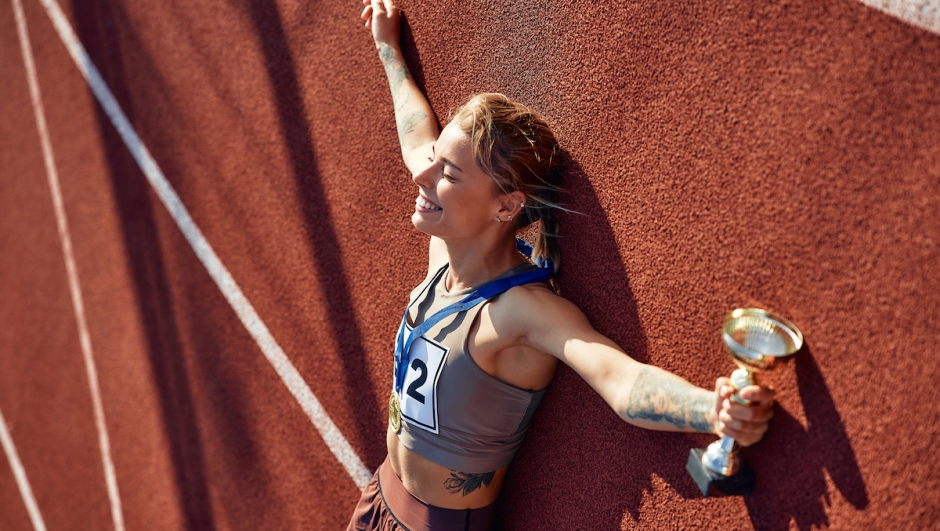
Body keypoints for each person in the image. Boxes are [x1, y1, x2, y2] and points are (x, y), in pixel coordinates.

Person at [349, 1, 775, 529]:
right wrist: (388, 47)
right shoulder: (447, 252)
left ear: (506, 206)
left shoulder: (520, 313)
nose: (422, 175)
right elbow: (416, 135)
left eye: (448, 174)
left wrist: (713, 410)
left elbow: (623, 381)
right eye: (436, 159)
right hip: (376, 502)